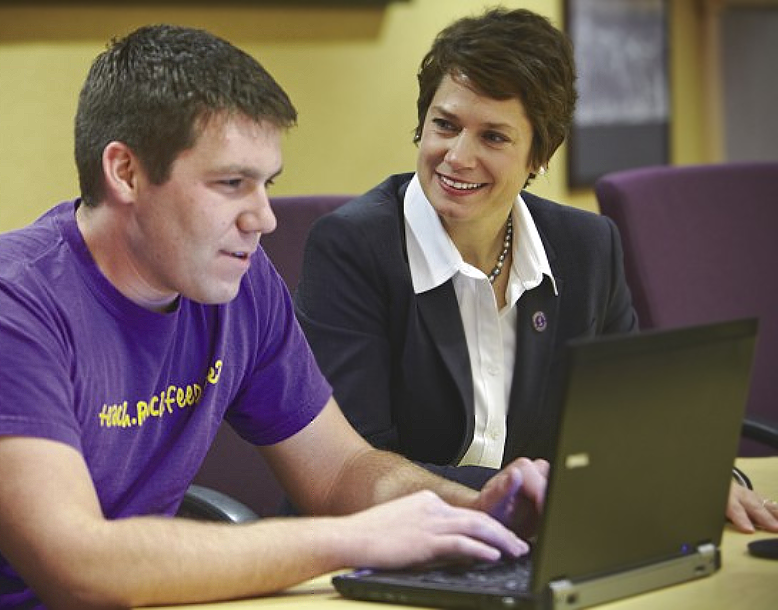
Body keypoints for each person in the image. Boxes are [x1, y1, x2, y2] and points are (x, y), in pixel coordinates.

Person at [0, 24, 552, 610]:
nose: (264, 217)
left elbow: (342, 472)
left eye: (267, 183)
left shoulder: (237, 286)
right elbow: (76, 564)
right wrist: (357, 540)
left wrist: (466, 513)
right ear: (126, 173)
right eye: (231, 184)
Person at [294, 8, 778, 534]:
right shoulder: (354, 247)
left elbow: (625, 415)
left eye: (493, 138)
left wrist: (693, 471)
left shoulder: (586, 248)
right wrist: (512, 496)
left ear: (539, 155)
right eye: (445, 125)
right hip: (389, 539)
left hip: (536, 538)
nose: (457, 156)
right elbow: (353, 464)